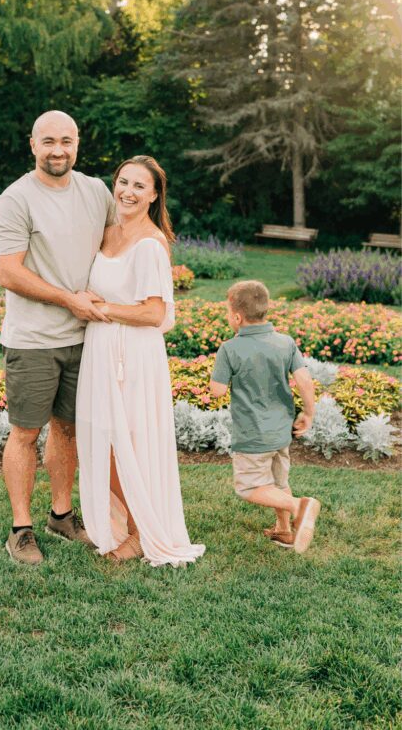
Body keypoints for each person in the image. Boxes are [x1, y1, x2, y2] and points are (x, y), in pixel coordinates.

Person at [0, 110, 117, 565]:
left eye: (66, 140)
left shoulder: (97, 191)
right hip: (33, 339)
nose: (58, 150)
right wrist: (69, 300)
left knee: (69, 429)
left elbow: (115, 248)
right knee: (25, 433)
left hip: (89, 337)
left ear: (78, 143)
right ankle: (21, 530)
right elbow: (7, 271)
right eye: (48, 141)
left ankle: (61, 516)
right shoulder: (15, 199)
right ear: (33, 144)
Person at [76, 155, 205, 566]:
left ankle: (139, 532)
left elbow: (153, 313)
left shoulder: (151, 244)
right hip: (100, 349)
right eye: (123, 182)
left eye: (138, 186)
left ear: (153, 196)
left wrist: (102, 309)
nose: (128, 192)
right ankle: (119, 521)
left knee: (130, 444)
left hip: (133, 355)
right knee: (106, 442)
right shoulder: (107, 232)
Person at [209, 280, 320, 554]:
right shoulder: (285, 342)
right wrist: (308, 412)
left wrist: (220, 377)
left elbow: (217, 391)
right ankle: (284, 529)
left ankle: (300, 507)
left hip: (252, 434)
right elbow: (304, 381)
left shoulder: (230, 349)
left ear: (237, 316)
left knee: (247, 488)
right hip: (281, 431)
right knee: (278, 482)